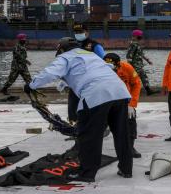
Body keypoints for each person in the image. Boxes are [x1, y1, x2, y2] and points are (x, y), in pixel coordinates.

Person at [25, 37, 133, 182]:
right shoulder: (91, 55)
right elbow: (104, 69)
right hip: (119, 91)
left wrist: (31, 85)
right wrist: (65, 83)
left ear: (61, 50)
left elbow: (49, 73)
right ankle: (126, 170)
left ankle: (86, 173)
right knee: (121, 133)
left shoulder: (65, 57)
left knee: (89, 136)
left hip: (96, 94)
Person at [103, 53, 142, 158]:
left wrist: (132, 104)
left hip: (125, 100)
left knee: (130, 123)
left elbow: (137, 84)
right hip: (106, 100)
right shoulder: (98, 69)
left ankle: (130, 147)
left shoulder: (127, 68)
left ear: (118, 64)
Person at [68, 23, 106, 124]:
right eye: (76, 32)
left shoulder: (95, 45)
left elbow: (105, 61)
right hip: (76, 81)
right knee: (73, 103)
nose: (78, 34)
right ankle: (74, 125)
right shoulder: (72, 45)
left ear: (87, 32)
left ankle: (98, 125)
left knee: (90, 104)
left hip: (91, 80)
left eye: (80, 32)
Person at [126, 29, 157, 96]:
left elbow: (141, 54)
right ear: (136, 36)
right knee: (133, 78)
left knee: (143, 76)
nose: (141, 37)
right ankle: (129, 91)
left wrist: (148, 60)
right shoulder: (133, 44)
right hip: (134, 65)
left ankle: (148, 90)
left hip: (139, 65)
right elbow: (129, 55)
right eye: (140, 35)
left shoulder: (137, 44)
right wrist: (129, 65)